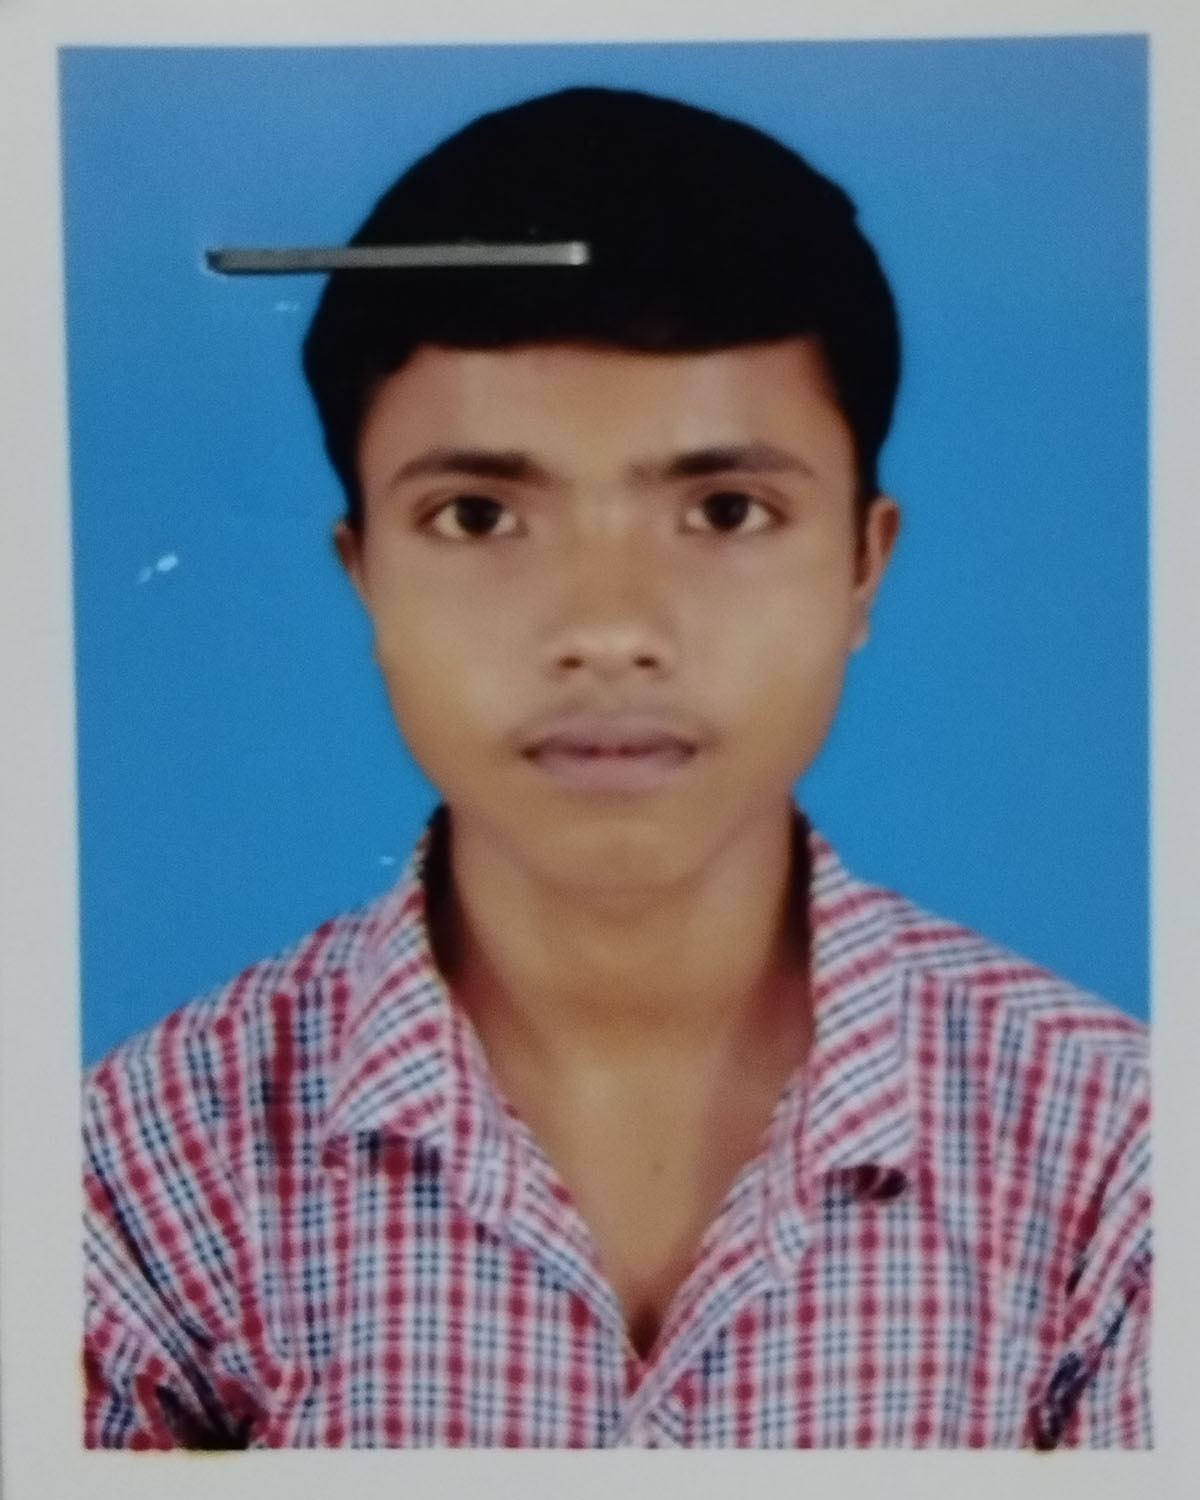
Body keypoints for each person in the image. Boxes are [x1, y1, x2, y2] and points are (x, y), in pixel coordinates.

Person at [81, 85, 1150, 1449]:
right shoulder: (133, 1177)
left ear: (863, 564)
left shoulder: (1122, 1158)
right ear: (364, 576)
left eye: (726, 510)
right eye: (478, 515)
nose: (608, 628)